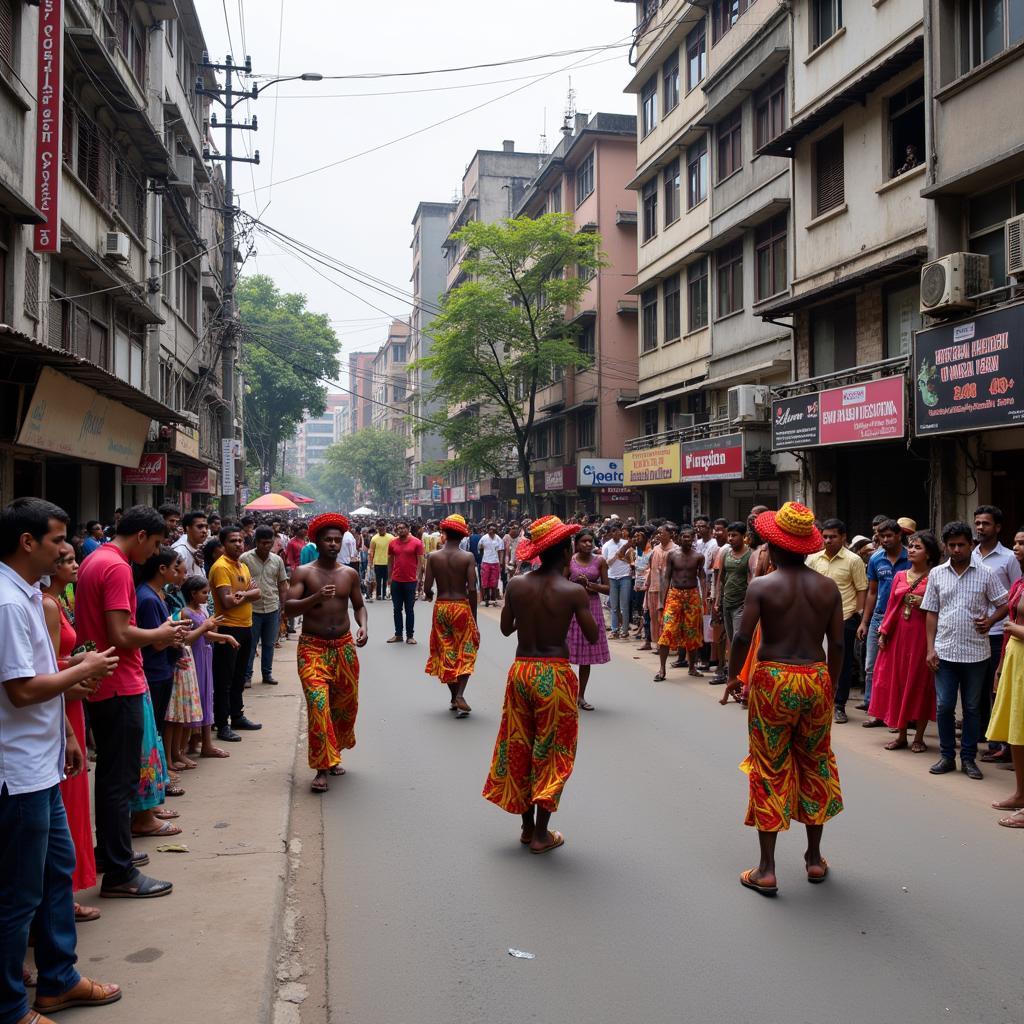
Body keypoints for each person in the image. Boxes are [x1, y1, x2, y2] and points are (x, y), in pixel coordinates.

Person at [0, 498, 124, 1022]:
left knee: (56, 874)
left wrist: (68, 737)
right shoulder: (7, 602)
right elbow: (22, 691)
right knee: (19, 896)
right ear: (28, 542)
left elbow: (38, 674)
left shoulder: (31, 594)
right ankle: (9, 1008)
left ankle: (59, 980)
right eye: (57, 541)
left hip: (44, 758)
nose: (65, 550)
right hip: (18, 771)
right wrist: (83, 670)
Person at [721, 502, 844, 897]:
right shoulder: (827, 587)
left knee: (769, 767)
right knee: (814, 762)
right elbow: (838, 643)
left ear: (772, 548)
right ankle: (812, 859)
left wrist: (732, 677)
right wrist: (832, 684)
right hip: (815, 676)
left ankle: (767, 868)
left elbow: (742, 637)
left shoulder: (762, 586)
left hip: (773, 678)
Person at [75, 504, 184, 899]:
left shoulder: (95, 558)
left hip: (105, 682)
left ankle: (111, 853)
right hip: (119, 683)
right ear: (141, 536)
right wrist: (162, 633)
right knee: (118, 780)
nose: (155, 554)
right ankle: (119, 872)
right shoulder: (118, 566)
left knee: (110, 777)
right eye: (155, 544)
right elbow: (121, 634)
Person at [482, 516, 598, 854]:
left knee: (519, 744)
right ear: (564, 553)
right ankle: (541, 834)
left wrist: (529, 615)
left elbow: (506, 628)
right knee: (552, 750)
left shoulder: (517, 584)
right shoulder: (573, 591)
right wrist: (581, 602)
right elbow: (591, 637)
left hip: (522, 671)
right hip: (555, 674)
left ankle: (526, 826)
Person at [285, 514, 367, 793]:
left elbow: (358, 605)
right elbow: (289, 608)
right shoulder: (304, 573)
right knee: (318, 705)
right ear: (316, 542)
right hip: (312, 648)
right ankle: (321, 768)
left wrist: (363, 626)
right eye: (328, 540)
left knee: (344, 706)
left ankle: (333, 755)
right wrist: (315, 598)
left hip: (343, 646)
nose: (333, 544)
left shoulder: (349, 574)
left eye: (337, 540)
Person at [41, 542, 100, 921]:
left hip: (69, 701)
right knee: (66, 802)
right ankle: (59, 899)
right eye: (68, 561)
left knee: (74, 802)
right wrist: (78, 671)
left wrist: (79, 665)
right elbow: (42, 667)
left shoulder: (59, 601)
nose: (76, 565)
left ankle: (65, 894)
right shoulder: (46, 605)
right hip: (60, 706)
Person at [923, 521, 1009, 781]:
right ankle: (947, 756)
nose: (957, 549)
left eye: (962, 544)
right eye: (952, 545)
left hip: (976, 654)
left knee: (972, 708)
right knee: (944, 705)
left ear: (971, 545)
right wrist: (930, 649)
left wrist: (992, 621)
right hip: (944, 651)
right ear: (945, 547)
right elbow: (931, 613)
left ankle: (969, 758)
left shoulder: (986, 573)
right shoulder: (937, 573)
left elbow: (1005, 603)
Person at [868, 531, 941, 754]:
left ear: (929, 554)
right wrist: (884, 632)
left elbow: (941, 607)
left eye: (917, 547)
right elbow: (891, 606)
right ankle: (900, 734)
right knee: (897, 683)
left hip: (922, 637)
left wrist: (923, 601)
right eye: (910, 546)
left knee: (920, 684)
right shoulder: (900, 576)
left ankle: (918, 737)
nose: (910, 550)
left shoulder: (936, 577)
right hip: (898, 636)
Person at [972, 505, 1021, 763]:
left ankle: (1000, 743)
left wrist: (995, 620)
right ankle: (982, 735)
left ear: (998, 527)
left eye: (986, 524)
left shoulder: (1009, 558)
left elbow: (1014, 597)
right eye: (977, 523)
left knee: (996, 688)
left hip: (999, 631)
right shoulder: (970, 555)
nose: (980, 528)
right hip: (973, 633)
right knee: (977, 688)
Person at [807, 519, 867, 724]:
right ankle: (816, 701)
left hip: (845, 618)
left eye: (833, 537)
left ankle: (839, 705)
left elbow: (861, 589)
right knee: (815, 660)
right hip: (815, 618)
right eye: (825, 536)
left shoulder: (853, 560)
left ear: (843, 538)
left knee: (842, 663)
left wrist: (858, 617)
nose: (828, 540)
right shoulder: (813, 559)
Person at [208, 526, 263, 742]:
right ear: (223, 544)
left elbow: (257, 593)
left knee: (239, 675)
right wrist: (246, 594)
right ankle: (222, 724)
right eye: (233, 541)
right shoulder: (221, 567)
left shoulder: (242, 566)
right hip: (227, 628)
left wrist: (244, 593)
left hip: (245, 626)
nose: (239, 544)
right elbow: (227, 601)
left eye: (241, 540)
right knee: (225, 679)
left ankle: (237, 715)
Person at [423, 514, 479, 717]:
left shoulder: (434, 557)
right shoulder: (467, 557)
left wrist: (429, 595)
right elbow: (472, 588)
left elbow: (428, 587)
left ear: (444, 534)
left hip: (442, 607)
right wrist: (473, 615)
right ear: (463, 536)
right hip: (461, 606)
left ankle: (454, 696)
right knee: (466, 649)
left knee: (446, 650)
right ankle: (460, 694)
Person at [857, 518, 911, 726]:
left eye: (890, 536)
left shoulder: (912, 556)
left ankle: (900, 713)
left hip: (904, 618)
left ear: (899, 536)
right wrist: (865, 621)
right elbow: (872, 592)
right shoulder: (876, 559)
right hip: (879, 616)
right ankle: (875, 710)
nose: (886, 540)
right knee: (872, 665)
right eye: (882, 537)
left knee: (899, 668)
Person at [987, 525, 1024, 826]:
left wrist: (1019, 631)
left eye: (1022, 543)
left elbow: (1014, 627)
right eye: (1015, 543)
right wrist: (1000, 669)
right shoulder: (1019, 584)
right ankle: (1021, 793)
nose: (1017, 548)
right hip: (1014, 659)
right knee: (1017, 730)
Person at [565, 530, 611, 711]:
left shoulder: (600, 561)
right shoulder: (570, 561)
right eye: (583, 541)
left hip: (591, 607)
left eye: (590, 541)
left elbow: (608, 589)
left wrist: (590, 585)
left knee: (586, 656)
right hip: (571, 608)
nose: (587, 544)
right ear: (576, 544)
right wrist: (576, 587)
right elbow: (561, 582)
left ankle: (581, 696)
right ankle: (566, 692)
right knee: (566, 652)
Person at [655, 526, 706, 681]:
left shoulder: (698, 556)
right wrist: (661, 601)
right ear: (679, 538)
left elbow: (702, 577)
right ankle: (662, 669)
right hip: (675, 595)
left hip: (692, 595)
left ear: (693, 538)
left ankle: (692, 667)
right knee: (668, 630)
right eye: (684, 536)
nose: (687, 539)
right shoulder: (672, 555)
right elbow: (666, 577)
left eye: (690, 537)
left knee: (692, 631)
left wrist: (704, 597)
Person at [241, 525, 289, 687]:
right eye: (263, 543)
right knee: (251, 645)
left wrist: (283, 606)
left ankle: (267, 674)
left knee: (269, 644)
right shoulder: (245, 559)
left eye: (269, 543)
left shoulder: (277, 560)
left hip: (272, 607)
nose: (266, 546)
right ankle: (247, 676)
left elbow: (282, 584)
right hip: (251, 609)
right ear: (256, 542)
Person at [387, 521, 424, 645]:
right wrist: (389, 577)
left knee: (409, 609)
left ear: (408, 529)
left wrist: (418, 578)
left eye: (403, 528)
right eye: (398, 528)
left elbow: (420, 562)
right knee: (396, 609)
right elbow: (390, 561)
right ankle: (398, 634)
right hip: (396, 580)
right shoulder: (392, 543)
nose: (400, 530)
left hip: (410, 581)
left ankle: (410, 636)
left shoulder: (417, 543)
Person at [646, 523, 678, 653]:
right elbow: (650, 567)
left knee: (668, 618)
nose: (659, 535)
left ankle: (670, 645)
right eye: (658, 533)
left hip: (669, 589)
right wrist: (647, 584)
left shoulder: (675, 549)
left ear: (670, 534)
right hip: (654, 588)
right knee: (654, 617)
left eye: (662, 533)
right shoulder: (655, 549)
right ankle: (659, 644)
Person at [601, 523, 633, 640]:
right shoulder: (606, 546)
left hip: (625, 576)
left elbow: (631, 559)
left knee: (624, 605)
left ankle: (624, 630)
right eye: (614, 532)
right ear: (610, 534)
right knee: (614, 606)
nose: (617, 533)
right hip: (612, 578)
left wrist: (623, 556)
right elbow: (606, 563)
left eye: (619, 531)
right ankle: (615, 630)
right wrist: (616, 555)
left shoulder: (626, 544)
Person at [632, 528, 653, 650]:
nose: (636, 538)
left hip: (648, 586)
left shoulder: (651, 552)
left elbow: (649, 569)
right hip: (638, 585)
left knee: (647, 612)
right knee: (641, 610)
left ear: (645, 538)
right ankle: (644, 635)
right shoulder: (639, 550)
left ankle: (648, 639)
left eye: (638, 536)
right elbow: (638, 566)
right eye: (635, 536)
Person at [173, 510, 209, 578]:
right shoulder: (179, 552)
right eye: (200, 527)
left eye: (206, 527)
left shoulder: (199, 549)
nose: (204, 531)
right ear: (187, 529)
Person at [368, 521, 395, 603]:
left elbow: (394, 549)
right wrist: (370, 563)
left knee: (387, 579)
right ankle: (379, 594)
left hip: (388, 563)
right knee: (378, 580)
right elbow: (371, 551)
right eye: (380, 526)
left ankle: (386, 594)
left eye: (383, 525)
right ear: (377, 527)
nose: (381, 527)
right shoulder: (374, 538)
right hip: (377, 563)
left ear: (386, 526)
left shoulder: (391, 537)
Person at [478, 523, 504, 607]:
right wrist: (483, 558)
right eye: (489, 529)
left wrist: (501, 562)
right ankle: (486, 599)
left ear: (495, 530)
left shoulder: (499, 539)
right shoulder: (483, 538)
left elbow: (501, 551)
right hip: (485, 562)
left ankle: (493, 599)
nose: (491, 531)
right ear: (487, 530)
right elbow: (480, 548)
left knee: (494, 581)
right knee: (485, 581)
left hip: (495, 562)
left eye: (493, 529)